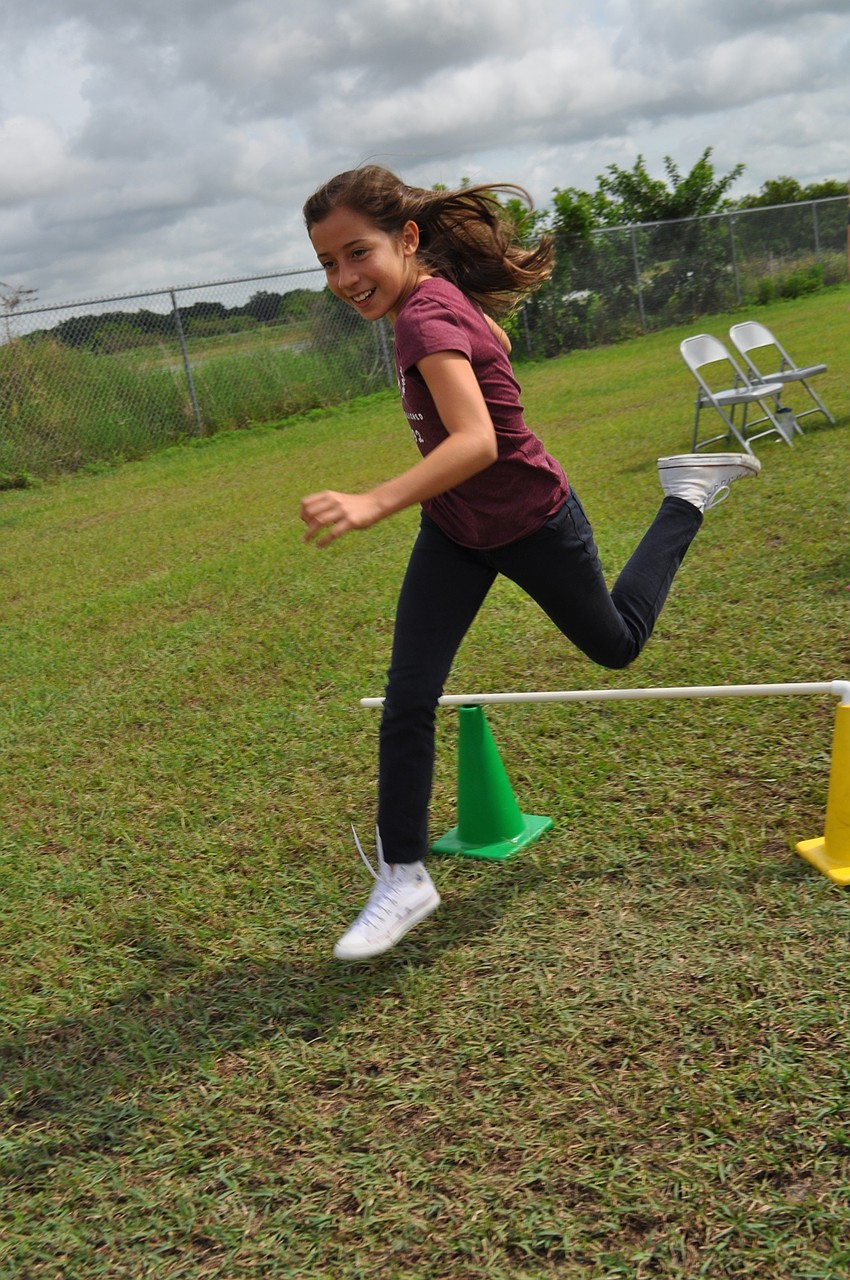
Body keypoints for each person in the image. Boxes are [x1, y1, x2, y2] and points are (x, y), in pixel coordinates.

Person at [300, 164, 760, 962]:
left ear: (407, 241)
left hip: (532, 521)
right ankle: (404, 873)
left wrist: (374, 502)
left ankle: (684, 498)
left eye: (356, 253)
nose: (344, 278)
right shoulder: (435, 297)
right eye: (327, 264)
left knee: (616, 645)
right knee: (411, 694)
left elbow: (477, 443)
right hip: (456, 530)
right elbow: (498, 342)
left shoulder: (423, 316)